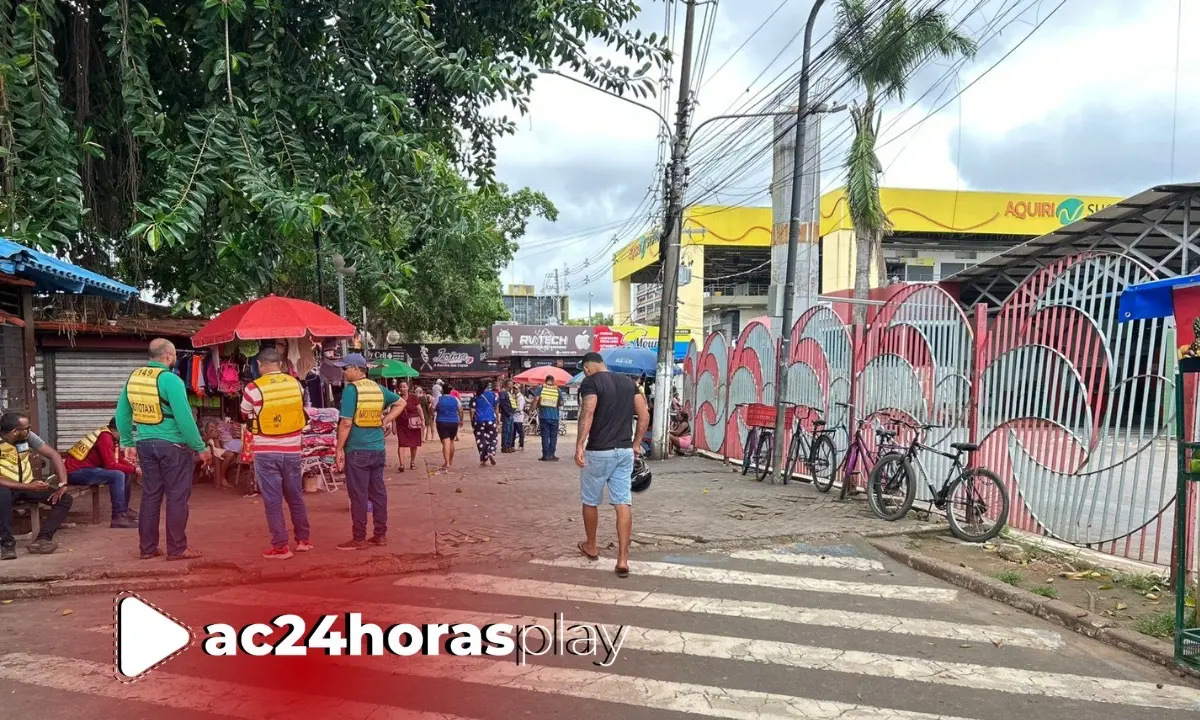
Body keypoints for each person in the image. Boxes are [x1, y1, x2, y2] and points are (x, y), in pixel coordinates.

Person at [117, 338, 208, 561]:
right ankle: (177, 549)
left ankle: (147, 549)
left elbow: (122, 413)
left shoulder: (134, 378)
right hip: (173, 447)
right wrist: (199, 447)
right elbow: (184, 418)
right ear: (168, 355)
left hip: (145, 445)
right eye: (174, 354)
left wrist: (127, 442)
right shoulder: (170, 380)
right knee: (177, 497)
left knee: (150, 496)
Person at [574, 352, 649, 578]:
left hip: (598, 451)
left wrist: (579, 445)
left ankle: (592, 546)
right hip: (624, 452)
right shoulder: (628, 382)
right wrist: (636, 444)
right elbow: (644, 415)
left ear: (587, 368)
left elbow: (588, 412)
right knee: (623, 502)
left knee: (590, 500)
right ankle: (623, 559)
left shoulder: (590, 382)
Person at [241, 348, 312, 560]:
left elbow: (245, 413)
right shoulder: (296, 384)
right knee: (295, 497)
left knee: (273, 501)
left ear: (260, 364)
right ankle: (303, 541)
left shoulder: (253, 388)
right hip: (292, 450)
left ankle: (281, 547)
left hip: (266, 451)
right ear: (280, 364)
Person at [333, 354, 405, 550]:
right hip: (377, 449)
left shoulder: (351, 389)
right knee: (378, 493)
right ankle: (380, 535)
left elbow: (346, 423)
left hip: (357, 450)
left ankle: (359, 538)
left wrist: (338, 449)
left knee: (358, 495)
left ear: (357, 370)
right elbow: (401, 403)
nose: (344, 372)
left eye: (346, 368)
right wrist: (385, 421)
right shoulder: (378, 389)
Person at [0, 412, 74, 559]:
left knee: (64, 499)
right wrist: (28, 487)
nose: (29, 430)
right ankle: (6, 545)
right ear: (14, 431)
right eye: (26, 428)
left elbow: (54, 455)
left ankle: (43, 539)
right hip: (6, 487)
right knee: (2, 495)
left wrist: (63, 483)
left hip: (28, 485)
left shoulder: (26, 436)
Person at [64, 418, 139, 528]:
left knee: (125, 472)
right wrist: (135, 470)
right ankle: (117, 517)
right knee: (118, 475)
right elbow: (110, 465)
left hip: (86, 469)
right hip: (75, 472)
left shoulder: (112, 437)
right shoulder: (105, 437)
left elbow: (117, 459)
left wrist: (134, 468)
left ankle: (124, 510)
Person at [393, 381, 424, 471]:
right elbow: (393, 413)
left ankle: (412, 462)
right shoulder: (396, 398)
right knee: (401, 443)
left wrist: (422, 420)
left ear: (408, 388)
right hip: (401, 425)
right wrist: (393, 425)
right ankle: (401, 464)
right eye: (401, 387)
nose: (402, 388)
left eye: (404, 387)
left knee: (414, 444)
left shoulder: (414, 397)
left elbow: (419, 409)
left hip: (413, 424)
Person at [533, 374, 564, 461]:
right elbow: (561, 403)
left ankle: (545, 455)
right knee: (553, 437)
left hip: (543, 416)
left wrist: (532, 409)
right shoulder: (558, 389)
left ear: (545, 380)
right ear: (553, 381)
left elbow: (536, 399)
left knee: (545, 436)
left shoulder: (541, 388)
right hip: (555, 417)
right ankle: (552, 455)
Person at [433, 383, 462, 468]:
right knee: (451, 442)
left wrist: (432, 415)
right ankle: (450, 460)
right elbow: (460, 410)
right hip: (454, 422)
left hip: (442, 422)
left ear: (442, 390)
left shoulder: (438, 399)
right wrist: (461, 420)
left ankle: (447, 462)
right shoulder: (455, 399)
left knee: (445, 442)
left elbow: (432, 409)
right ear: (450, 391)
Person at [472, 382, 499, 466]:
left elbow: (472, 410)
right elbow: (496, 408)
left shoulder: (476, 396)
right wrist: (498, 418)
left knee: (481, 440)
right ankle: (491, 451)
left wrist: (472, 420)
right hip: (491, 420)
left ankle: (484, 458)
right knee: (493, 438)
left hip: (479, 421)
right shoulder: (493, 395)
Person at [498, 380, 516, 453]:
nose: (512, 385)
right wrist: (507, 412)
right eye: (511, 384)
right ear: (507, 384)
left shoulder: (509, 393)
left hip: (511, 413)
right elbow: (502, 404)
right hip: (507, 414)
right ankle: (504, 446)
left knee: (510, 430)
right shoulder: (503, 392)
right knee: (506, 430)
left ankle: (509, 445)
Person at [513, 385, 527, 451]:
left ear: (519, 389)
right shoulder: (514, 396)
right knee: (513, 432)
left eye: (516, 389)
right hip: (514, 416)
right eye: (514, 389)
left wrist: (512, 410)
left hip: (519, 416)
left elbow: (519, 408)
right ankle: (512, 445)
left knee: (520, 431)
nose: (514, 390)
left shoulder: (521, 397)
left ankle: (521, 445)